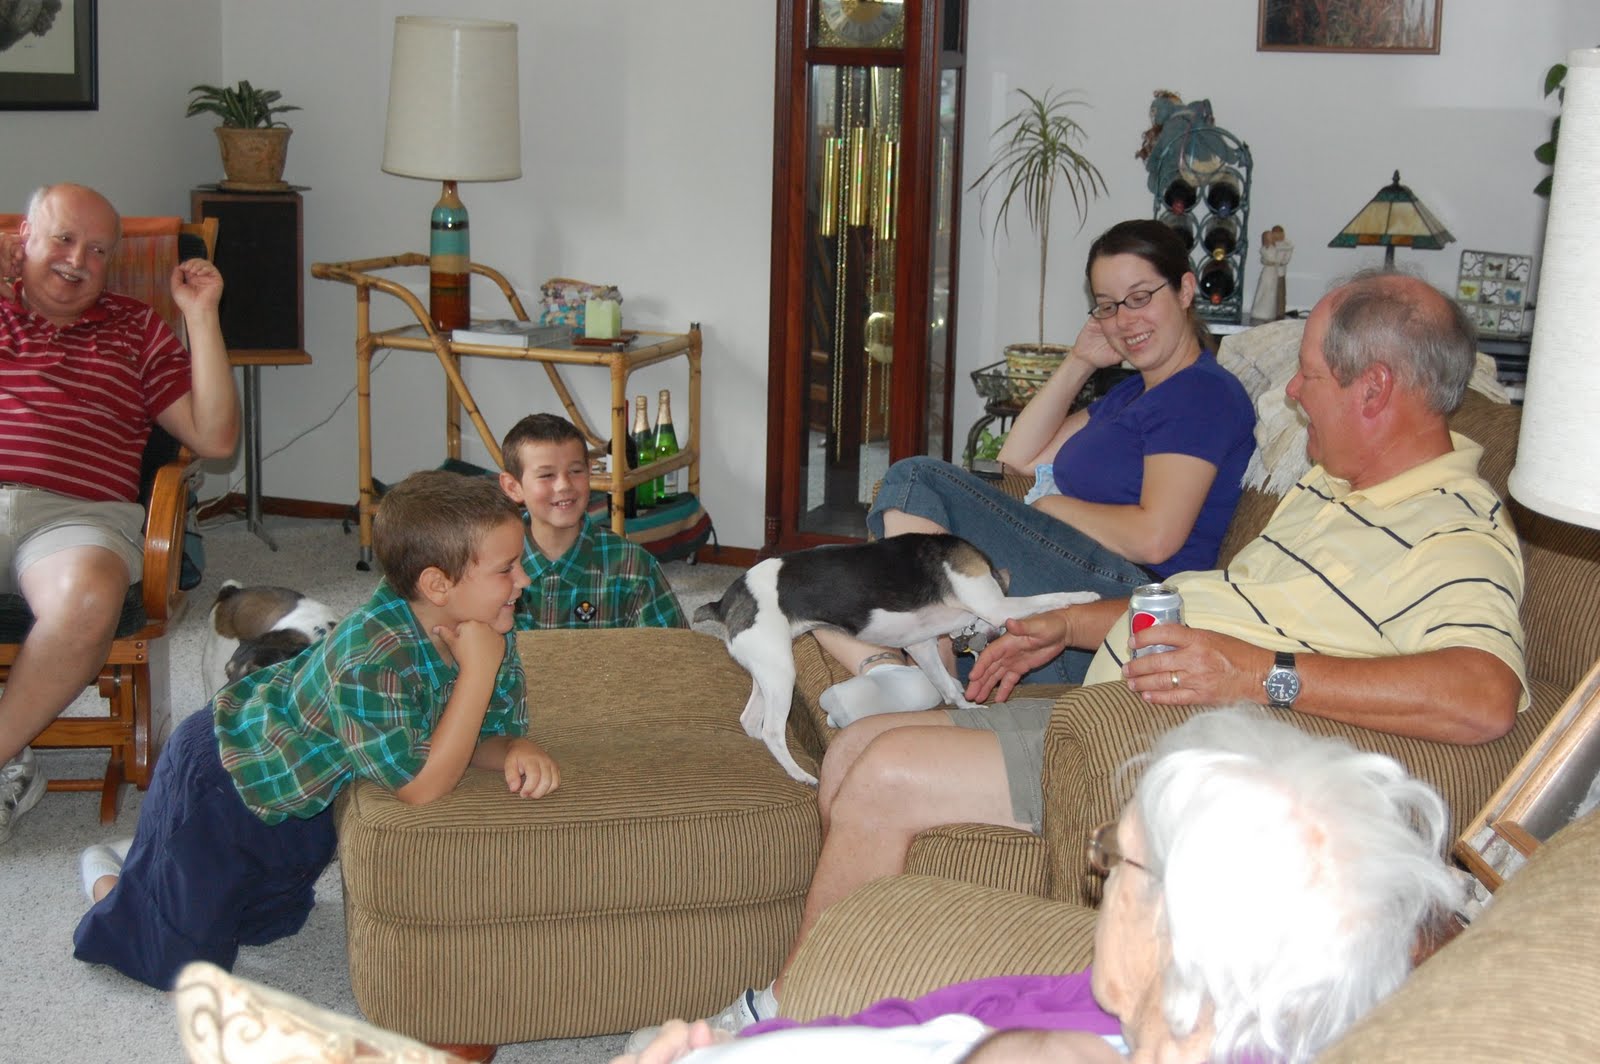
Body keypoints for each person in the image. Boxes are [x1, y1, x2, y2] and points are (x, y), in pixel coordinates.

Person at [659, 269, 1525, 1038]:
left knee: (882, 774)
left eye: (1311, 376)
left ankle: (780, 1023)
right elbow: (1201, 602)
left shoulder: (1453, 529)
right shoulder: (1330, 487)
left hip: (1173, 738)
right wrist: (1073, 625)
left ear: (1375, 390)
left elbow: (1484, 693)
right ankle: (833, 1003)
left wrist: (1258, 673)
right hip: (1124, 691)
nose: (1293, 393)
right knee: (854, 749)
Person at [618, 708, 1465, 1063]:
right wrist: (754, 1050)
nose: (1102, 879)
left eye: (1116, 860)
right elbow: (907, 1024)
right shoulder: (1097, 1004)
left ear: (1176, 925)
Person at [72, 470, 560, 990]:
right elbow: (420, 785)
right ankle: (114, 877)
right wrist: (477, 672)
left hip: (304, 793)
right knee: (177, 963)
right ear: (437, 584)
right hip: (222, 781)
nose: (525, 580)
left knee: (269, 923)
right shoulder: (371, 654)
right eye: (507, 568)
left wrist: (513, 746)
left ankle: (152, 861)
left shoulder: (490, 626)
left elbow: (479, 734)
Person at [816, 219, 1255, 725]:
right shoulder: (1134, 393)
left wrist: (1053, 507)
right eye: (1107, 305)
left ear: (1185, 289)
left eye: (1139, 298)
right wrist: (1080, 361)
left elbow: (1156, 539)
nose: (1124, 319)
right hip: (1075, 575)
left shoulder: (1199, 394)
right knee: (818, 580)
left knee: (917, 479)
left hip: (1128, 606)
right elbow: (1018, 458)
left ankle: (929, 665)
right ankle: (894, 669)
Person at [0, 183, 238, 844]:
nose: (79, 260)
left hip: (73, 518)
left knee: (85, 601)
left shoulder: (136, 328)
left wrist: (201, 316)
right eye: (64, 239)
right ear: (24, 240)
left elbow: (216, 438)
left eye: (100, 250)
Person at [499, 412, 687, 629]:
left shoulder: (634, 567)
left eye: (575, 471)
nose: (564, 485)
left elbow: (674, 648)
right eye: (546, 475)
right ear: (513, 487)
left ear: (590, 471)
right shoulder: (487, 564)